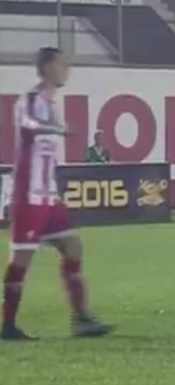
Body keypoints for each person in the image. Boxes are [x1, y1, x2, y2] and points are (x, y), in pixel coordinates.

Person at [1, 47, 112, 341]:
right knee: (21, 260)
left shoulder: (50, 103)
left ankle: (81, 318)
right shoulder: (31, 99)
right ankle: (8, 325)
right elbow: (29, 124)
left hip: (48, 197)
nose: (67, 68)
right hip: (29, 196)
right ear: (48, 67)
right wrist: (59, 129)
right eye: (62, 63)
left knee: (73, 246)